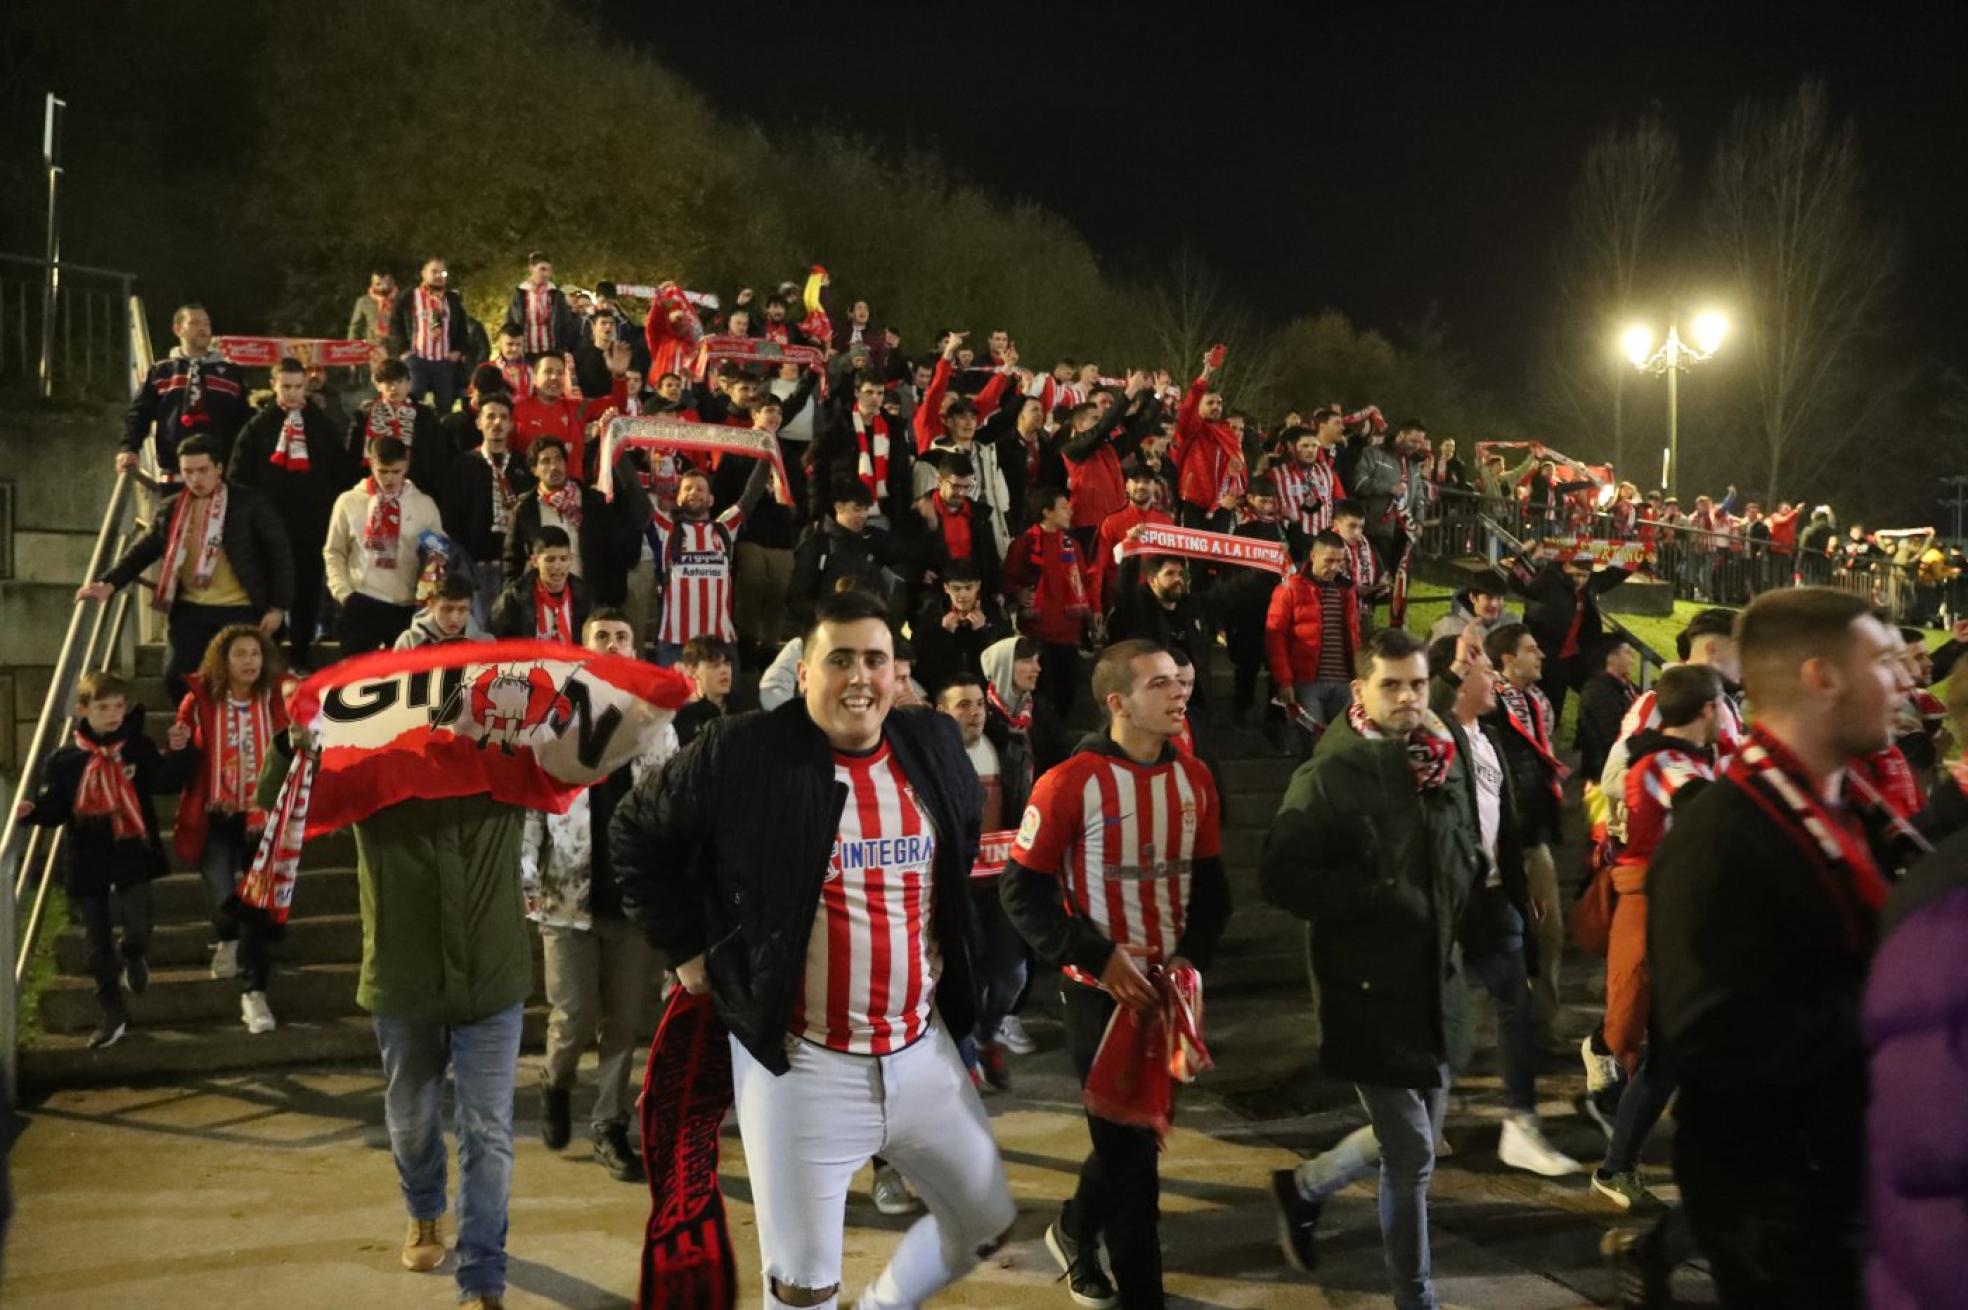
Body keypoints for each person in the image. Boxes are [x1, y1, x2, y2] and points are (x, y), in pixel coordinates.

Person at [611, 588, 1017, 1310]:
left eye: (875, 660)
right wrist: (686, 948)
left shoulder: (933, 744)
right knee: (802, 1289)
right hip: (801, 1065)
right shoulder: (742, 751)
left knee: (985, 1220)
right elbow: (635, 833)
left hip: (923, 1050)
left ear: (898, 672)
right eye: (840, 660)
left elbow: (951, 868)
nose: (860, 677)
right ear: (802, 672)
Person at [1650, 588, 1912, 1308]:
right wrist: (1897, 1007)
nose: (1905, 681)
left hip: (1850, 1180)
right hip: (1786, 1215)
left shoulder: (1852, 808)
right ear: (1822, 677)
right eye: (1884, 662)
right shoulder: (1723, 840)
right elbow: (1715, 1040)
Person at [1000, 640, 1228, 1309]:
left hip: (1168, 992)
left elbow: (1212, 889)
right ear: (1118, 702)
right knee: (1132, 1157)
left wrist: (1192, 956)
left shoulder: (1196, 778)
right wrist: (1098, 956)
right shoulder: (1070, 782)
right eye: (1160, 684)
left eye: (1180, 681)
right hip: (1100, 993)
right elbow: (1022, 894)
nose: (1179, 692)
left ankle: (1073, 1229)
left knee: (1135, 1140)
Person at [1265, 627, 1481, 1310]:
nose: (1408, 698)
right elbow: (1281, 876)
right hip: (1366, 990)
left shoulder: (1439, 761)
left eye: (1417, 684)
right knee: (1414, 1155)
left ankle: (1304, 1187)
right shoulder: (1328, 774)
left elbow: (1462, 853)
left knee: (1409, 1142)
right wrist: (1373, 898)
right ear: (1360, 691)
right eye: (1391, 685)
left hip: (1434, 986)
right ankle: (1413, 1298)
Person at [524, 610, 676, 1184]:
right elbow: (532, 805)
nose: (612, 645)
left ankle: (609, 1124)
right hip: (568, 892)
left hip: (633, 897)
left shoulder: (657, 723)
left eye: (621, 637)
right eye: (601, 638)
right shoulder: (554, 722)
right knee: (574, 1014)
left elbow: (671, 803)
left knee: (624, 1021)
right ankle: (555, 1080)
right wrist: (525, 874)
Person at [1426, 634, 1580, 1179]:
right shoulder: (1437, 739)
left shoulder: (1488, 738)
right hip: (1450, 901)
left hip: (1494, 898)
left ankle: (1519, 1123)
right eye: (1483, 669)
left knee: (1515, 1003)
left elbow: (1504, 829)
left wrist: (1519, 892)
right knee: (1440, 1014)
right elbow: (1428, 716)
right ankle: (1424, 1120)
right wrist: (1450, 673)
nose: (1493, 678)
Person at [1592, 664, 1724, 1219]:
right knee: (1672, 1050)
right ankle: (1618, 1155)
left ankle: (1620, 1160)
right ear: (1706, 710)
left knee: (1675, 1053)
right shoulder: (1671, 762)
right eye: (1722, 705)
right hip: (1665, 919)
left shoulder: (1664, 755)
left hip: (1670, 915)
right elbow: (1702, 810)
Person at [14, 671, 192, 1050]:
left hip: (131, 846)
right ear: (82, 710)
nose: (113, 715)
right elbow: (57, 807)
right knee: (96, 942)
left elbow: (163, 782)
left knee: (139, 921)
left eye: (118, 707)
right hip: (88, 852)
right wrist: (33, 812)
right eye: (103, 707)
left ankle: (133, 953)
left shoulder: (137, 746)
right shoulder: (65, 759)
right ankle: (111, 1012)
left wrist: (178, 751)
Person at [82, 433, 292, 704]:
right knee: (176, 677)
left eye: (203, 470)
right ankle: (199, 733)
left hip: (242, 607)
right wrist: (108, 584)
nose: (196, 479)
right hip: (192, 609)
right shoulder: (172, 508)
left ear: (219, 469)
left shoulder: (249, 503)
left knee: (244, 679)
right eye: (188, 472)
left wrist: (277, 607)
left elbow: (280, 554)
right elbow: (144, 550)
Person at [170, 623, 290, 1034]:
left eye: (256, 654)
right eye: (240, 654)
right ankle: (226, 937)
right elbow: (180, 760)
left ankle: (253, 992)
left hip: (263, 814)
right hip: (215, 811)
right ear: (223, 660)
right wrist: (179, 744)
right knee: (223, 897)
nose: (250, 662)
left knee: (256, 906)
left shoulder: (277, 699)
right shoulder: (199, 699)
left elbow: (295, 748)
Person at [935, 672, 1033, 1091]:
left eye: (978, 704)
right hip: (955, 889)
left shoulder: (1008, 748)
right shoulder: (932, 761)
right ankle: (967, 1062)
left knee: (1013, 974)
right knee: (965, 981)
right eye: (963, 705)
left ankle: (985, 1034)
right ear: (942, 712)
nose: (974, 713)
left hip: (1002, 884)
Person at [228, 356, 358, 671]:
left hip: (311, 523)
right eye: (285, 386)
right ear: (273, 386)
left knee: (307, 590)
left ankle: (300, 653)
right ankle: (268, 654)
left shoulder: (322, 425)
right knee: (267, 590)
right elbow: (238, 476)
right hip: (267, 525)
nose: (292, 393)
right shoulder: (259, 426)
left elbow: (341, 473)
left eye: (298, 386)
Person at [1483, 623, 1569, 1051]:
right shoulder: (1487, 701)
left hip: (1534, 835)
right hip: (1499, 841)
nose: (1542, 656)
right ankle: (1505, 1027)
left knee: (1549, 930)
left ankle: (1542, 1024)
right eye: (1532, 650)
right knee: (1506, 937)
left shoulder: (1538, 700)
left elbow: (1542, 757)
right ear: (1507, 659)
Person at [501, 434, 651, 611]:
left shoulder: (594, 501)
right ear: (534, 470)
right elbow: (512, 560)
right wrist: (516, 598)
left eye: (558, 459)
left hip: (593, 600)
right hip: (543, 604)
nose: (554, 466)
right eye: (545, 461)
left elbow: (614, 550)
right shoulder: (525, 510)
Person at [323, 436, 443, 655]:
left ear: (406, 465)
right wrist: (344, 593)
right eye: (383, 471)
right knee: (355, 679)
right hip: (362, 599)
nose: (389, 479)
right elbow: (334, 551)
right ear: (371, 465)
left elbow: (439, 553)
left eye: (396, 471)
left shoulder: (424, 505)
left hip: (405, 603)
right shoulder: (350, 501)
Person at [648, 461, 771, 665]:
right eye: (687, 488)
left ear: (711, 499)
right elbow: (634, 492)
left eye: (700, 488)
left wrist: (767, 447)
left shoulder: (725, 528)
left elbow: (751, 493)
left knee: (725, 698)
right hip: (675, 644)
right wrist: (614, 441)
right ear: (678, 498)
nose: (694, 492)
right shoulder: (665, 529)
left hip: (721, 642)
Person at [1507, 544, 1632, 725]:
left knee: (1595, 696)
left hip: (1574, 656)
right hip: (1547, 656)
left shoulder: (1589, 584)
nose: (1579, 580)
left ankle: (1585, 741)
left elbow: (1611, 577)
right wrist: (1528, 559)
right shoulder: (1547, 580)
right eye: (1575, 575)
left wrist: (1640, 558)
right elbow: (1517, 583)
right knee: (1545, 707)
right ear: (1565, 566)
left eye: (1584, 576)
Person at [119, 302, 247, 477]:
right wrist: (129, 448)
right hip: (174, 472)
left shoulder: (231, 374)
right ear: (178, 329)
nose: (202, 329)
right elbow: (139, 413)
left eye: (206, 323)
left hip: (220, 474)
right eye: (194, 323)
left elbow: (245, 421)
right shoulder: (161, 372)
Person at [439, 393, 534, 627]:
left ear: (512, 424)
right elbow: (451, 518)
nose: (497, 423)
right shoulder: (463, 465)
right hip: (474, 568)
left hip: (515, 571)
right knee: (478, 637)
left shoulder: (523, 466)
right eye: (490, 417)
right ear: (478, 422)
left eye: (503, 417)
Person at [1002, 487, 1092, 719]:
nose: (1070, 511)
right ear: (1046, 512)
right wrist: (1018, 595)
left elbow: (1084, 583)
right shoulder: (1024, 544)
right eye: (1063, 507)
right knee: (1040, 698)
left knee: (1066, 695)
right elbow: (1006, 581)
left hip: (1068, 634)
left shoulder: (1073, 545)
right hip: (1037, 634)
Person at [1267, 531, 1362, 745]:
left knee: (1345, 743)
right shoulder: (1289, 588)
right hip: (1307, 681)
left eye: (1339, 561)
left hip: (1344, 680)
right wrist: (1285, 681)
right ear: (1313, 556)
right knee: (1312, 744)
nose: (1335, 567)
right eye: (1329, 560)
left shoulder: (1346, 590)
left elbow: (1355, 635)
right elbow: (1275, 637)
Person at [787, 481, 900, 627]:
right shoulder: (817, 545)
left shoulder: (872, 543)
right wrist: (832, 614)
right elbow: (797, 599)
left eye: (866, 509)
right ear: (838, 507)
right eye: (857, 509)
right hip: (826, 628)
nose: (863, 515)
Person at [909, 560, 1011, 696]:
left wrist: (982, 632)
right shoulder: (931, 615)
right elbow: (921, 666)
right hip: (943, 692)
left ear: (978, 586)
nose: (962, 595)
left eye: (968, 588)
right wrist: (943, 634)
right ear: (946, 588)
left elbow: (1004, 664)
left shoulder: (994, 614)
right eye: (956, 588)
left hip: (984, 693)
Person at [386, 255, 470, 416]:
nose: (439, 276)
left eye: (443, 273)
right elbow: (395, 323)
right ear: (423, 273)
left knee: (446, 403)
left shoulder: (452, 299)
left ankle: (441, 436)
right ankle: (410, 432)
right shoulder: (410, 296)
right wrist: (403, 350)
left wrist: (458, 350)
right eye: (434, 271)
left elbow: (462, 328)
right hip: (417, 358)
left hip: (444, 360)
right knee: (413, 396)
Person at [351, 358, 449, 494]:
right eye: (389, 382)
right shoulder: (365, 414)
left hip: (416, 486)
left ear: (408, 384)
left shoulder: (424, 414)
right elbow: (354, 454)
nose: (394, 388)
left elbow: (437, 454)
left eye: (399, 381)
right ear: (378, 385)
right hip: (374, 487)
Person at [1088, 459, 1174, 611]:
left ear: (1154, 486)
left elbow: (1174, 564)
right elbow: (1097, 569)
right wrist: (1096, 608)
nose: (1141, 486)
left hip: (1156, 604)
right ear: (1127, 485)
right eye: (1136, 481)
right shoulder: (1111, 522)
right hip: (1121, 603)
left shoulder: (1166, 522)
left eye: (1147, 482)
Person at [1174, 350, 1246, 528]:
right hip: (1193, 500)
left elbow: (1238, 469)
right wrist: (1206, 373)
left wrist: (1234, 494)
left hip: (1223, 503)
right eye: (1210, 403)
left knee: (1218, 554)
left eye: (1219, 403)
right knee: (1192, 553)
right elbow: (1188, 407)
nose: (1216, 407)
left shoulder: (1228, 433)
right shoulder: (1191, 430)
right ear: (1199, 407)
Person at [491, 527, 589, 643]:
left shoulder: (585, 595)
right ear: (535, 561)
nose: (557, 566)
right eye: (550, 560)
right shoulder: (514, 598)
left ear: (571, 559)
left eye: (563, 559)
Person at [1574, 637, 1639, 787]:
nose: (1632, 658)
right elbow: (1611, 734)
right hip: (1604, 774)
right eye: (1627, 653)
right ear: (1611, 658)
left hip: (1621, 768)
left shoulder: (1626, 687)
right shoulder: (1598, 690)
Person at [503, 250, 579, 357]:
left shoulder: (555, 294)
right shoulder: (520, 294)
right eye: (542, 269)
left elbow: (566, 323)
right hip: (525, 351)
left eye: (548, 270)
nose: (546, 274)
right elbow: (510, 323)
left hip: (551, 350)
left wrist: (564, 348)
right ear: (531, 268)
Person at [1331, 501, 1387, 632]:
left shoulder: (1369, 547)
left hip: (1364, 617)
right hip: (1335, 619)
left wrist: (1383, 586)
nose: (1357, 532)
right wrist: (1355, 590)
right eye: (1352, 526)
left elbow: (1381, 575)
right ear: (1336, 524)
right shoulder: (1326, 546)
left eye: (1361, 527)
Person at [671, 634, 735, 747]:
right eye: (715, 665)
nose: (725, 670)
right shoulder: (683, 717)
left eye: (727, 664)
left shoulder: (743, 709)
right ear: (692, 670)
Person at [1424, 570, 1519, 646]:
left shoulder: (1512, 624)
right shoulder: (1447, 626)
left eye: (1499, 598)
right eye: (1489, 598)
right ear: (1473, 598)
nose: (1494, 604)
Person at [394, 574, 487, 648]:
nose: (454, 618)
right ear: (431, 606)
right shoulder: (410, 640)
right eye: (447, 609)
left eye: (462, 610)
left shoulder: (485, 642)